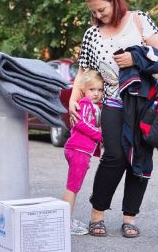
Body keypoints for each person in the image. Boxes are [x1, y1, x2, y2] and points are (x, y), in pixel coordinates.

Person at [69, 0, 158, 238]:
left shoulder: (139, 21)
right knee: (114, 155)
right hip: (113, 101)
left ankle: (129, 217)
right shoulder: (92, 34)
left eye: (101, 9)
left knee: (140, 158)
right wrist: (73, 99)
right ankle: (97, 213)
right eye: (94, 12)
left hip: (145, 103)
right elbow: (84, 71)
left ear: (114, 0)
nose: (98, 15)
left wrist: (137, 58)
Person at [62, 70, 104, 235]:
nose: (96, 93)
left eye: (100, 90)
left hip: (80, 150)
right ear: (84, 90)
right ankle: (65, 223)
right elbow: (81, 124)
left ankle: (66, 220)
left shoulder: (93, 105)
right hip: (78, 150)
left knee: (74, 187)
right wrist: (100, 136)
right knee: (72, 188)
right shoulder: (85, 104)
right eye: (92, 89)